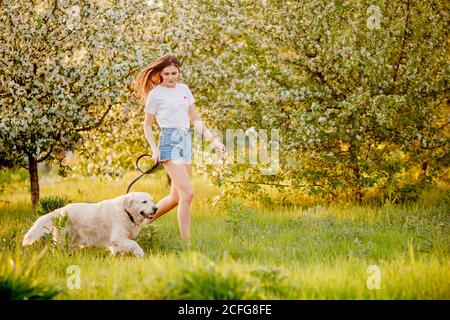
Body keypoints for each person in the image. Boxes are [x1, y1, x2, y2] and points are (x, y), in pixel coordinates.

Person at [133, 53, 226, 246]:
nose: (170, 77)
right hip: (169, 141)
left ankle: (140, 224)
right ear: (160, 73)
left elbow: (196, 119)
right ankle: (187, 243)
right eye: (166, 73)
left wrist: (214, 142)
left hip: (186, 141)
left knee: (176, 197)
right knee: (188, 194)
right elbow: (147, 125)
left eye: (174, 73)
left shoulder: (184, 89)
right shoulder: (156, 94)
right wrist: (154, 148)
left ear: (179, 71)